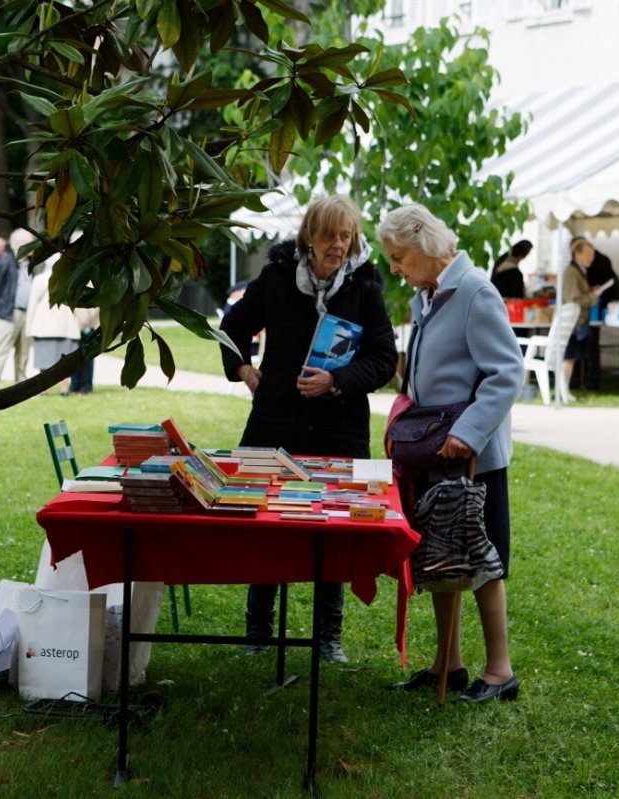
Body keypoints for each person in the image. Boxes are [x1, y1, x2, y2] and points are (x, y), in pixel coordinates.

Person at [219, 195, 397, 664]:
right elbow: (232, 326)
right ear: (308, 239)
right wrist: (243, 369)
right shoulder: (277, 278)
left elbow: (382, 359)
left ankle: (326, 638)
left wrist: (337, 380)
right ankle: (257, 631)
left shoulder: (365, 286)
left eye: (346, 237)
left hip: (339, 428)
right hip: (276, 422)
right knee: (265, 524)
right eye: (329, 237)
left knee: (333, 528)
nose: (338, 246)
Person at [377, 205, 523, 703]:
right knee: (442, 559)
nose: (395, 268)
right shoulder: (429, 293)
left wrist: (469, 431)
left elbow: (506, 373)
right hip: (435, 449)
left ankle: (501, 671)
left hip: (472, 453)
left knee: (482, 561)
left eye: (398, 257)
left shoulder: (476, 291)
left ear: (425, 242)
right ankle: (449, 663)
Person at [0, 230, 35, 390]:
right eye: (29, 243)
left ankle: (21, 383)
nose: (33, 246)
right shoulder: (5, 261)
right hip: (8, 313)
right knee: (1, 349)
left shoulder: (32, 263)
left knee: (24, 351)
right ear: (18, 245)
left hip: (27, 312)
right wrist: (0, 305)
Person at [26, 256, 80, 396]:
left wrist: (29, 327)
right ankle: (64, 389)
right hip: (67, 326)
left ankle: (44, 389)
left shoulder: (39, 279)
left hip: (44, 326)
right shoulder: (71, 279)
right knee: (66, 360)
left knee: (44, 359)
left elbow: (32, 304)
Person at [560, 239, 605, 403]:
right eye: (587, 254)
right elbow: (574, 299)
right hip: (572, 323)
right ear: (577, 254)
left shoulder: (579, 271)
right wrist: (593, 296)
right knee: (568, 358)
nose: (590, 258)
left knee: (571, 358)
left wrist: (589, 291)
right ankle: (563, 391)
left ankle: (565, 391)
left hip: (577, 322)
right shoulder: (572, 272)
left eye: (592, 254)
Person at [578, 238, 619, 390]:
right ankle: (587, 378)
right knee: (589, 345)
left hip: (595, 308)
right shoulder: (581, 266)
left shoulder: (599, 262)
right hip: (591, 307)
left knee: (590, 345)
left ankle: (591, 379)